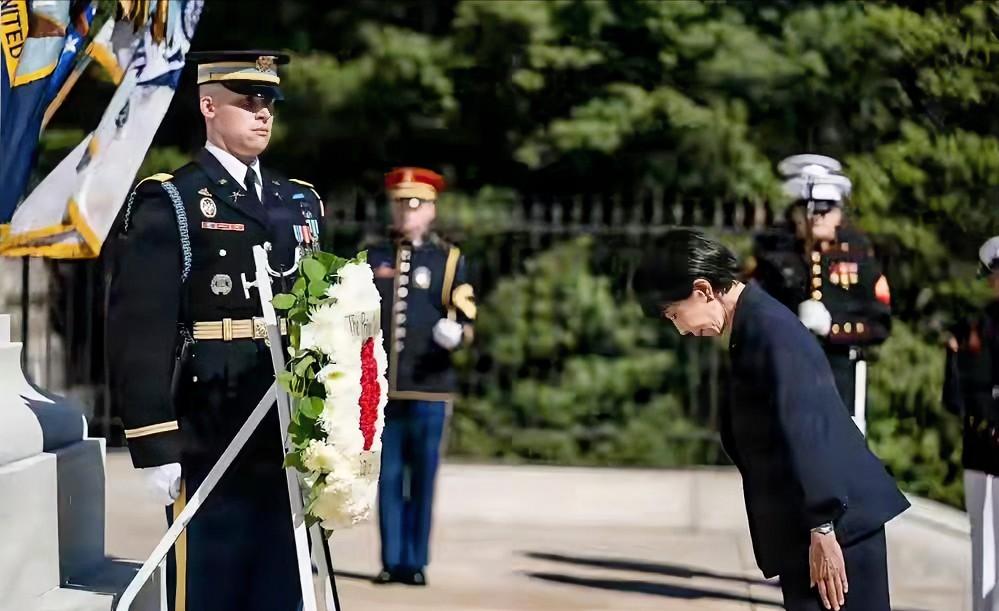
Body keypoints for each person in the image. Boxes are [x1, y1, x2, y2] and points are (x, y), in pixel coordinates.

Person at [106, 50, 324, 611]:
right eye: (247, 101)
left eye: (269, 102)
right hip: (209, 416)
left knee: (283, 577)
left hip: (283, 419)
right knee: (210, 580)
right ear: (208, 106)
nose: (262, 113)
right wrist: (153, 440)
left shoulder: (297, 200)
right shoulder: (172, 199)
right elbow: (139, 327)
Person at [634, 229, 909, 611]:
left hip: (835, 527)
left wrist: (822, 526)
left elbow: (809, 428)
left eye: (675, 314)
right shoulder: (751, 327)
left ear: (703, 290)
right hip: (813, 524)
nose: (681, 328)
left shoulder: (769, 330)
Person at [365, 167, 476, 586]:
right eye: (400, 204)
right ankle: (391, 559)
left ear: (431, 210)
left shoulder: (448, 260)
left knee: (423, 479)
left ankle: (416, 562)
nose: (406, 212)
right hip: (384, 389)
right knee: (388, 476)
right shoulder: (375, 257)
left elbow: (466, 314)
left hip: (431, 389)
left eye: (415, 204)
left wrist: (457, 332)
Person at [752, 154, 891, 434]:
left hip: (840, 379)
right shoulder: (775, 261)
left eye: (824, 210)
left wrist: (832, 327)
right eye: (806, 210)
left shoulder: (860, 261)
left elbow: (879, 325)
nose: (815, 218)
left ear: (839, 213)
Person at [943, 236, 999, 611]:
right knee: (983, 542)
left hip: (983, 441)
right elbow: (953, 395)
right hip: (980, 445)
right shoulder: (974, 326)